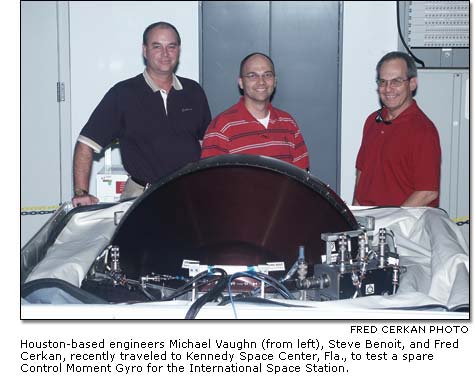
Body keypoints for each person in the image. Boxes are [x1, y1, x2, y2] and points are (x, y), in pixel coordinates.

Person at [72, 21, 211, 206]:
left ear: (179, 50)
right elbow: (85, 144)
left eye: (171, 46)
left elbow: (208, 145)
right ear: (145, 51)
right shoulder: (123, 94)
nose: (165, 53)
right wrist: (81, 193)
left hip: (190, 195)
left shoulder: (194, 91)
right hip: (141, 198)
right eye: (157, 46)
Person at [353, 51, 441, 207]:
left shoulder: (423, 131)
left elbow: (427, 192)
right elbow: (361, 173)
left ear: (412, 84)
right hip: (370, 224)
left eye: (396, 81)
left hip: (402, 228)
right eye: (382, 82)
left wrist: (392, 223)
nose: (388, 89)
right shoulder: (372, 121)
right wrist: (355, 217)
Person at [200, 52, 309, 170]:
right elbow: (210, 179)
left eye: (267, 75)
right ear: (241, 83)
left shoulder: (288, 123)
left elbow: (302, 177)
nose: (261, 81)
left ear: (275, 81)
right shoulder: (221, 127)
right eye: (252, 76)